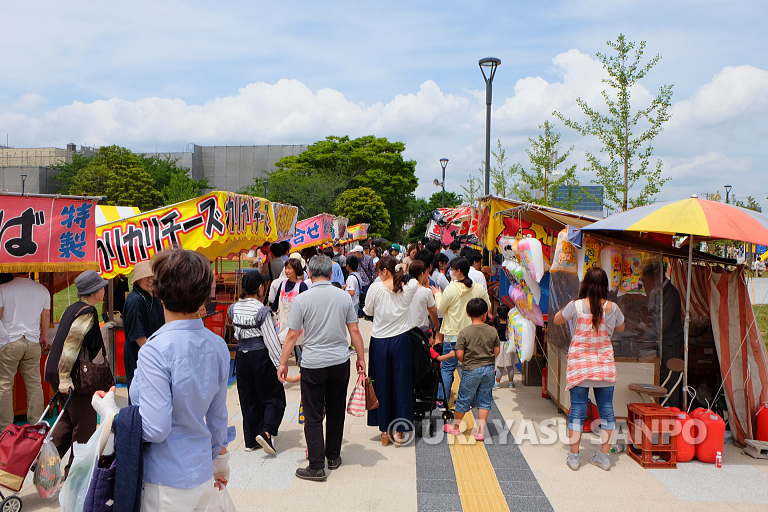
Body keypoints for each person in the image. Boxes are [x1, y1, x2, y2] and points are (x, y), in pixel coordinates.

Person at [130, 249, 230, 508]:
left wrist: (111, 416)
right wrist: (219, 460)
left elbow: (156, 427)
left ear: (158, 291)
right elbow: (218, 415)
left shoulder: (155, 350)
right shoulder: (217, 345)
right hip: (201, 470)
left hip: (165, 478)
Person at [277, 255, 366, 482]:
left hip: (313, 363)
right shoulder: (343, 297)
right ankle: (333, 456)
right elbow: (354, 330)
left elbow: (292, 335)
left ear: (310, 273)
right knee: (336, 410)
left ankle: (316, 466)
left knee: (314, 415)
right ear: (330, 273)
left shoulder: (302, 299)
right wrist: (361, 359)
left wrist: (283, 363)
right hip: (339, 361)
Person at [553, 267, 624, 472]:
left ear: (584, 284)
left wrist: (568, 309)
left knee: (577, 410)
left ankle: (574, 457)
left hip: (580, 367)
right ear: (605, 286)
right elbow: (621, 327)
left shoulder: (575, 306)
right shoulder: (613, 307)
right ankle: (604, 456)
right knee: (607, 410)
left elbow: (558, 319)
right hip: (604, 367)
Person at [42, 271, 107, 474]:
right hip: (74, 377)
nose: (104, 289)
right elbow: (71, 346)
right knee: (85, 425)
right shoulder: (87, 312)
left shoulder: (72, 309)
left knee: (67, 422)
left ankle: (45, 468)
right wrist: (64, 378)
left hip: (58, 372)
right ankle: (76, 474)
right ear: (95, 291)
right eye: (102, 286)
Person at [364, 256, 421, 446]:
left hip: (380, 341)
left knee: (380, 384)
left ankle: (383, 431)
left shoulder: (375, 287)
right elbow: (413, 279)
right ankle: (400, 431)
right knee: (402, 385)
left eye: (379, 271)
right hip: (402, 340)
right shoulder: (408, 287)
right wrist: (402, 272)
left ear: (384, 271)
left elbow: (368, 311)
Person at [230, 271, 285, 455]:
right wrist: (280, 366)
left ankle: (250, 439)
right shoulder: (261, 311)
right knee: (274, 396)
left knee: (248, 397)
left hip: (242, 357)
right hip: (260, 356)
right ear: (261, 288)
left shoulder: (234, 308)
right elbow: (271, 340)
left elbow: (237, 335)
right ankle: (267, 431)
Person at [439, 298, 500, 440]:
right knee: (485, 400)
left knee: (463, 399)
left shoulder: (464, 332)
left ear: (468, 314)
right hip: (488, 369)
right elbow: (497, 350)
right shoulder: (492, 331)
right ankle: (480, 432)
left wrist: (466, 361)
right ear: (485, 314)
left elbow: (459, 354)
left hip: (471, 369)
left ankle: (455, 427)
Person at [435, 257, 490, 406]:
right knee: (469, 370)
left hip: (452, 335)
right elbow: (488, 306)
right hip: (473, 336)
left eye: (452, 269)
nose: (451, 272)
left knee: (447, 368)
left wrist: (437, 294)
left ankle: (442, 400)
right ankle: (468, 401)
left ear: (458, 271)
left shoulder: (451, 289)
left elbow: (440, 308)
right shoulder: (478, 288)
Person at [0, 272, 50, 428]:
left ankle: (6, 427)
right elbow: (46, 315)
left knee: (5, 384)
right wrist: (44, 336)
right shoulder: (42, 290)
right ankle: (36, 423)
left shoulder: (3, 288)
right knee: (35, 384)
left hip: (10, 341)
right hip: (33, 341)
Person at [641, 261, 684, 408]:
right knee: (662, 378)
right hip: (661, 344)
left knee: (670, 381)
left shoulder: (670, 293)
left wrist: (644, 329)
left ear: (655, 278)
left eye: (646, 281)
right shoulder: (659, 293)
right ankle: (661, 409)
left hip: (670, 346)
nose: (645, 284)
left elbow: (662, 325)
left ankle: (670, 411)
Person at [122, 261, 165, 391]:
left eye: (152, 277)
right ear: (138, 280)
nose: (150, 281)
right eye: (146, 278)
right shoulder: (135, 300)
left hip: (154, 351)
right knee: (139, 391)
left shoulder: (153, 297)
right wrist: (154, 356)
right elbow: (138, 336)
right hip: (139, 353)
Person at [271, 258, 309, 364]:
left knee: (301, 352)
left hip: (298, 326)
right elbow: (275, 305)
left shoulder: (302, 286)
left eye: (289, 268)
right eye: (286, 268)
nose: (287, 271)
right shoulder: (282, 285)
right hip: (283, 324)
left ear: (296, 269)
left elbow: (306, 307)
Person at [408, 260, 439, 337]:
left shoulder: (404, 288)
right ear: (422, 274)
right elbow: (433, 311)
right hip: (421, 331)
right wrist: (436, 326)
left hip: (406, 329)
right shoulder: (426, 291)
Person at [493, 305, 516, 388]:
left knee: (499, 365)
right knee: (510, 366)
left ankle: (497, 383)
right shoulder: (511, 322)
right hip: (510, 345)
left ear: (498, 314)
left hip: (500, 345)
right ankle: (510, 383)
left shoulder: (497, 323)